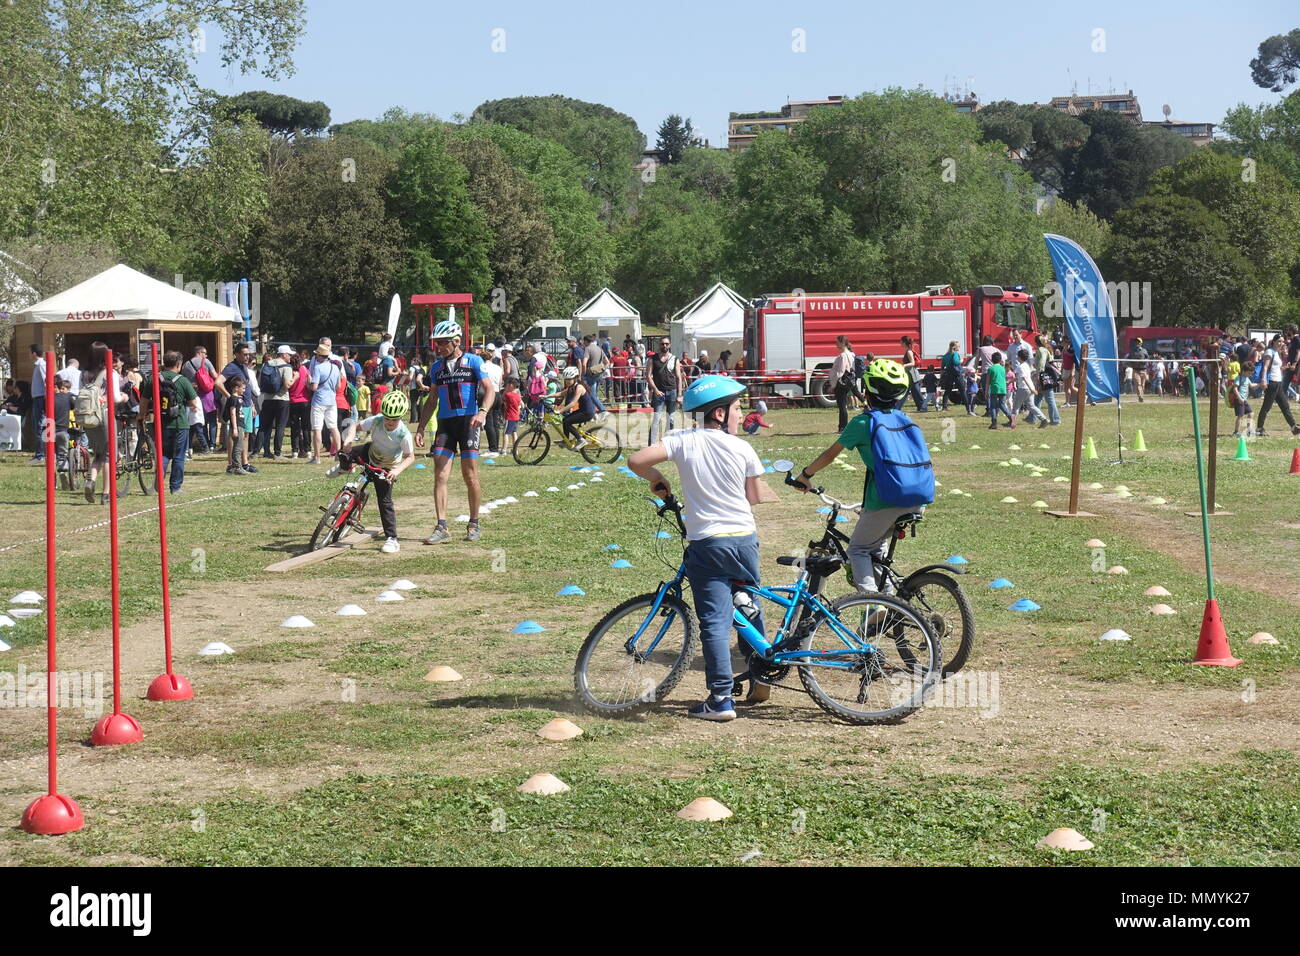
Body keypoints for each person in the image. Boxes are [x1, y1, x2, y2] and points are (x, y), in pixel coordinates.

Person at [627, 374, 766, 721]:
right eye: (736, 408)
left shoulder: (683, 441)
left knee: (715, 622)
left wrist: (658, 479)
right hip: (745, 539)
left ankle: (720, 699)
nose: (740, 415)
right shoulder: (743, 447)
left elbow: (636, 461)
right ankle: (761, 676)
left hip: (708, 542)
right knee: (748, 606)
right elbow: (755, 498)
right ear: (718, 413)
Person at [793, 358, 927, 593]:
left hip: (887, 500)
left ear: (866, 390)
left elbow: (830, 455)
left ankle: (874, 604)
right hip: (918, 498)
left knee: (857, 550)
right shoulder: (905, 419)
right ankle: (890, 603)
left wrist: (805, 475)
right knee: (875, 549)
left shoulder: (864, 422)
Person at [415, 318, 496, 544]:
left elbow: (490, 390)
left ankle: (474, 523)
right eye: (436, 343)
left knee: (469, 475)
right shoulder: (436, 368)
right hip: (446, 424)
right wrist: (421, 427)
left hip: (469, 423)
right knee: (439, 473)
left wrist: (482, 412)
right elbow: (431, 400)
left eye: (442, 342)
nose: (438, 347)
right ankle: (441, 526)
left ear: (456, 341)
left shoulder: (473, 361)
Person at [328, 389, 414, 554]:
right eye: (387, 418)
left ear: (401, 417)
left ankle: (392, 539)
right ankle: (343, 468)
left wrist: (396, 470)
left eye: (393, 420)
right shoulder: (377, 420)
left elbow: (410, 457)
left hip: (386, 467)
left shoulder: (404, 434)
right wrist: (348, 439)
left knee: (385, 501)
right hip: (370, 453)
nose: (389, 422)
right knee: (344, 453)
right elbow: (355, 425)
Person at [139, 349, 201, 496]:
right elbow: (193, 402)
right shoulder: (183, 381)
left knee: (163, 454)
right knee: (179, 456)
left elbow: (144, 400)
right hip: (180, 423)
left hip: (160, 423)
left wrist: (141, 416)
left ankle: (159, 480)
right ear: (179, 364)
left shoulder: (153, 379)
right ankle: (175, 487)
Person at [216, 342, 257, 474]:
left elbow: (246, 387)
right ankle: (232, 464)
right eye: (244, 355)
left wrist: (251, 403)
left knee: (245, 435)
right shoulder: (231, 367)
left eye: (248, 354)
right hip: (238, 406)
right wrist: (230, 397)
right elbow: (217, 382)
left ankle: (245, 463)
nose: (247, 357)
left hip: (247, 405)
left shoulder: (243, 366)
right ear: (237, 354)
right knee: (234, 435)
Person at [1256, 333, 1300, 437]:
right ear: (1274, 342)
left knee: (1285, 405)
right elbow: (1265, 367)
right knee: (1266, 406)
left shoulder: (1276, 352)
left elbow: (1275, 368)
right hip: (1271, 382)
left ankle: (1294, 427)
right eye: (1279, 341)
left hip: (1278, 382)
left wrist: (1284, 367)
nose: (1281, 343)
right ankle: (1259, 429)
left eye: (1282, 341)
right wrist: (1263, 380)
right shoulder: (1269, 352)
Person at [306, 343, 342, 465]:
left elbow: (314, 387)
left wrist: (308, 383)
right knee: (334, 428)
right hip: (332, 401)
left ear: (320, 356)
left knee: (317, 429)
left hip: (319, 401)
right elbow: (338, 386)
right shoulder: (336, 367)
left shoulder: (318, 368)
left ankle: (317, 457)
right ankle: (338, 454)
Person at [257, 345, 294, 460]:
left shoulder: (266, 364)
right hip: (282, 399)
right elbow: (287, 385)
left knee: (263, 426)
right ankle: (277, 453)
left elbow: (259, 383)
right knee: (280, 426)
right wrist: (295, 378)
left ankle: (255, 451)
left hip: (267, 399)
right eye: (289, 354)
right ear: (283, 355)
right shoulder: (287, 366)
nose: (290, 357)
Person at [647, 336, 684, 443]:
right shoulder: (652, 359)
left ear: (670, 345)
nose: (664, 346)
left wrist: (680, 395)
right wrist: (655, 390)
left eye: (667, 344)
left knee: (671, 419)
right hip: (659, 393)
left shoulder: (675, 359)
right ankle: (652, 444)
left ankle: (669, 442)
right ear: (659, 345)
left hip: (672, 392)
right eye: (662, 343)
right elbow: (648, 376)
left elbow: (679, 377)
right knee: (656, 419)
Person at [181, 345, 217, 453]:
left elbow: (184, 381)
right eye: (205, 353)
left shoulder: (186, 365)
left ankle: (193, 446)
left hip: (194, 396)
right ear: (200, 352)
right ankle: (212, 445)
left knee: (200, 422)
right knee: (212, 421)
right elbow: (215, 376)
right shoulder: (206, 362)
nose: (206, 355)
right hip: (208, 394)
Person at [556, 366, 597, 448]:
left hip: (587, 413)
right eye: (566, 379)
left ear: (575, 378)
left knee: (567, 422)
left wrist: (560, 411)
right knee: (565, 420)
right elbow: (560, 394)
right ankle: (566, 441)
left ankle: (580, 440)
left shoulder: (579, 387)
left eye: (569, 379)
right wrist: (545, 396)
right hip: (583, 411)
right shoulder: (572, 387)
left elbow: (573, 403)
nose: (567, 381)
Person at [1013, 347, 1048, 427]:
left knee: (1015, 406)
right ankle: (1044, 419)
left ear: (1019, 357)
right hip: (1029, 388)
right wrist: (1010, 382)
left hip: (1023, 388)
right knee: (1031, 406)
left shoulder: (1020, 367)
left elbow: (1024, 378)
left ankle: (1012, 422)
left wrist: (1032, 389)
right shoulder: (1026, 365)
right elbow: (1019, 377)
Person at [223, 377, 248, 475]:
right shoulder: (233, 399)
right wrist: (234, 428)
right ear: (236, 388)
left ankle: (232, 467)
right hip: (237, 425)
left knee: (238, 446)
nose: (244, 390)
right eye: (243, 388)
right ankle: (237, 467)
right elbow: (232, 413)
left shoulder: (238, 399)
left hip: (240, 425)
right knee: (238, 447)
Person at [287, 353, 310, 458]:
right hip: (304, 400)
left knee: (294, 427)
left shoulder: (290, 371)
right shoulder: (304, 369)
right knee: (305, 427)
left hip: (293, 401)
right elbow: (310, 380)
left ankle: (295, 450)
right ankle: (308, 450)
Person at [831, 335, 857, 431]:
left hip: (841, 383)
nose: (836, 344)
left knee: (842, 406)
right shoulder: (852, 354)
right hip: (848, 381)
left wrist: (833, 384)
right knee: (843, 405)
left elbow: (840, 371)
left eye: (837, 342)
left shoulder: (843, 355)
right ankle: (843, 426)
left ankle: (843, 427)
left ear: (842, 343)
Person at [899, 336, 927, 412]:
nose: (900, 343)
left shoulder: (909, 352)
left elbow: (912, 363)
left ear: (904, 343)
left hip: (913, 375)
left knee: (916, 392)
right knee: (913, 392)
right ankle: (922, 407)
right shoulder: (908, 351)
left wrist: (903, 365)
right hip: (910, 375)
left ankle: (923, 407)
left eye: (901, 341)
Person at [29, 344, 47, 462]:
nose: (29, 355)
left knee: (39, 426)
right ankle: (39, 453)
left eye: (29, 352)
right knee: (37, 426)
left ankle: (40, 455)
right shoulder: (37, 365)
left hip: (40, 398)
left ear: (34, 353)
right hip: (37, 398)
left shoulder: (41, 364)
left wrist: (46, 398)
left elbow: (47, 380)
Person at [986, 351, 1012, 428]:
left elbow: (988, 382)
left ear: (991, 360)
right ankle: (1011, 418)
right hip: (1003, 389)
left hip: (994, 389)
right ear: (1000, 360)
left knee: (993, 406)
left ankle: (994, 423)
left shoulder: (990, 369)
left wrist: (986, 392)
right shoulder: (1003, 369)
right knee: (1002, 405)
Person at [501, 377, 522, 455]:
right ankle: (515, 449)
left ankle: (504, 449)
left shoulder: (507, 394)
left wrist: (506, 390)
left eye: (507, 385)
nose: (505, 386)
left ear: (511, 385)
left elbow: (502, 399)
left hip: (509, 417)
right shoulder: (517, 396)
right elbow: (522, 405)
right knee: (514, 432)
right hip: (516, 417)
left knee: (506, 433)